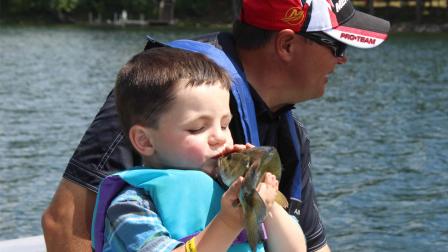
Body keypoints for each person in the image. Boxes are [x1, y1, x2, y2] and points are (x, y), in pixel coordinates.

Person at [42, 0, 390, 251]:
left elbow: (310, 247)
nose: (344, 59)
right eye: (338, 45)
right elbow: (64, 223)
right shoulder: (170, 87)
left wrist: (265, 204)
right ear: (286, 44)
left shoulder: (289, 134)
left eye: (225, 124)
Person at [91, 47, 306, 252]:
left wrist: (263, 199)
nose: (219, 137)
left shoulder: (233, 191)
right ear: (145, 141)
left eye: (224, 125)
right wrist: (227, 225)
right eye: (197, 128)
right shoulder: (131, 206)